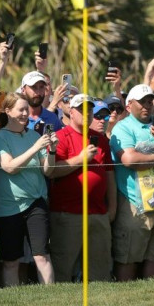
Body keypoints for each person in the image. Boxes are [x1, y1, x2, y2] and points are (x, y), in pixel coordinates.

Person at [0, 93, 58, 286]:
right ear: (8, 111)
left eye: (27, 109)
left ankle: (51, 298)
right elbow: (9, 167)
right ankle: (14, 302)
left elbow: (48, 170)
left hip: (36, 202)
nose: (25, 113)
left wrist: (51, 151)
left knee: (42, 255)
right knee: (11, 261)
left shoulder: (35, 136)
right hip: (8, 206)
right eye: (21, 109)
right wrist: (36, 147)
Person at [109, 84, 154, 281]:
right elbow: (130, 160)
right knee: (129, 256)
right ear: (129, 105)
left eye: (150, 101)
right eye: (142, 101)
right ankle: (125, 299)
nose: (147, 105)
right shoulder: (122, 128)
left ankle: (151, 297)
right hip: (133, 200)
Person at [49, 94, 116, 282]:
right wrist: (80, 159)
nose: (86, 114)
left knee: (100, 270)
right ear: (71, 112)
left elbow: (109, 175)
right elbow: (52, 171)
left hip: (98, 213)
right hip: (68, 213)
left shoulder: (100, 140)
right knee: (64, 268)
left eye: (89, 110)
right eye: (81, 110)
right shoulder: (60, 137)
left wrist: (112, 208)